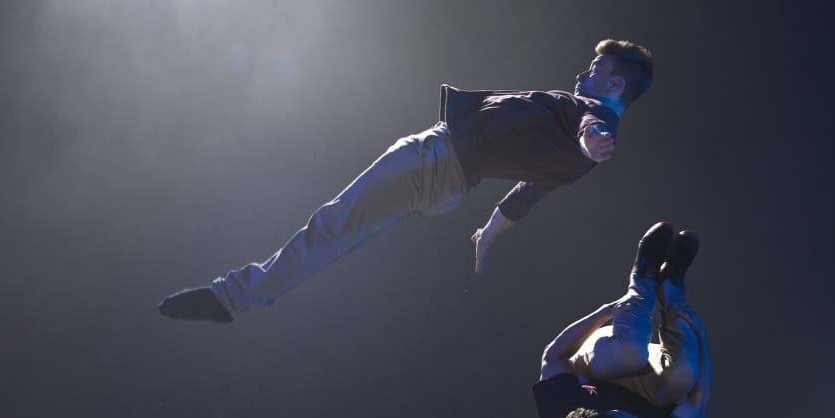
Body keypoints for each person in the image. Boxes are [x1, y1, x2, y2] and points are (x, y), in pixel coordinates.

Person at [158, 39, 654, 323]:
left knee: (334, 224)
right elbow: (526, 195)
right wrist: (488, 236)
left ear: (615, 84)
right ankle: (238, 296)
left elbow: (590, 128)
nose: (583, 72)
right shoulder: (578, 152)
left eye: (596, 68)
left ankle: (232, 297)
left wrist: (592, 139)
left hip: (435, 161)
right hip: (446, 180)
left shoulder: (587, 115)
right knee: (341, 226)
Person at [534, 222, 711, 418]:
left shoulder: (560, 410)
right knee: (682, 377)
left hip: (598, 367)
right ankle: (671, 290)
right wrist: (701, 340)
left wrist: (607, 310)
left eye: (615, 415)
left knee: (627, 353)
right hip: (650, 393)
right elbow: (698, 402)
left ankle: (643, 278)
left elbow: (553, 355)